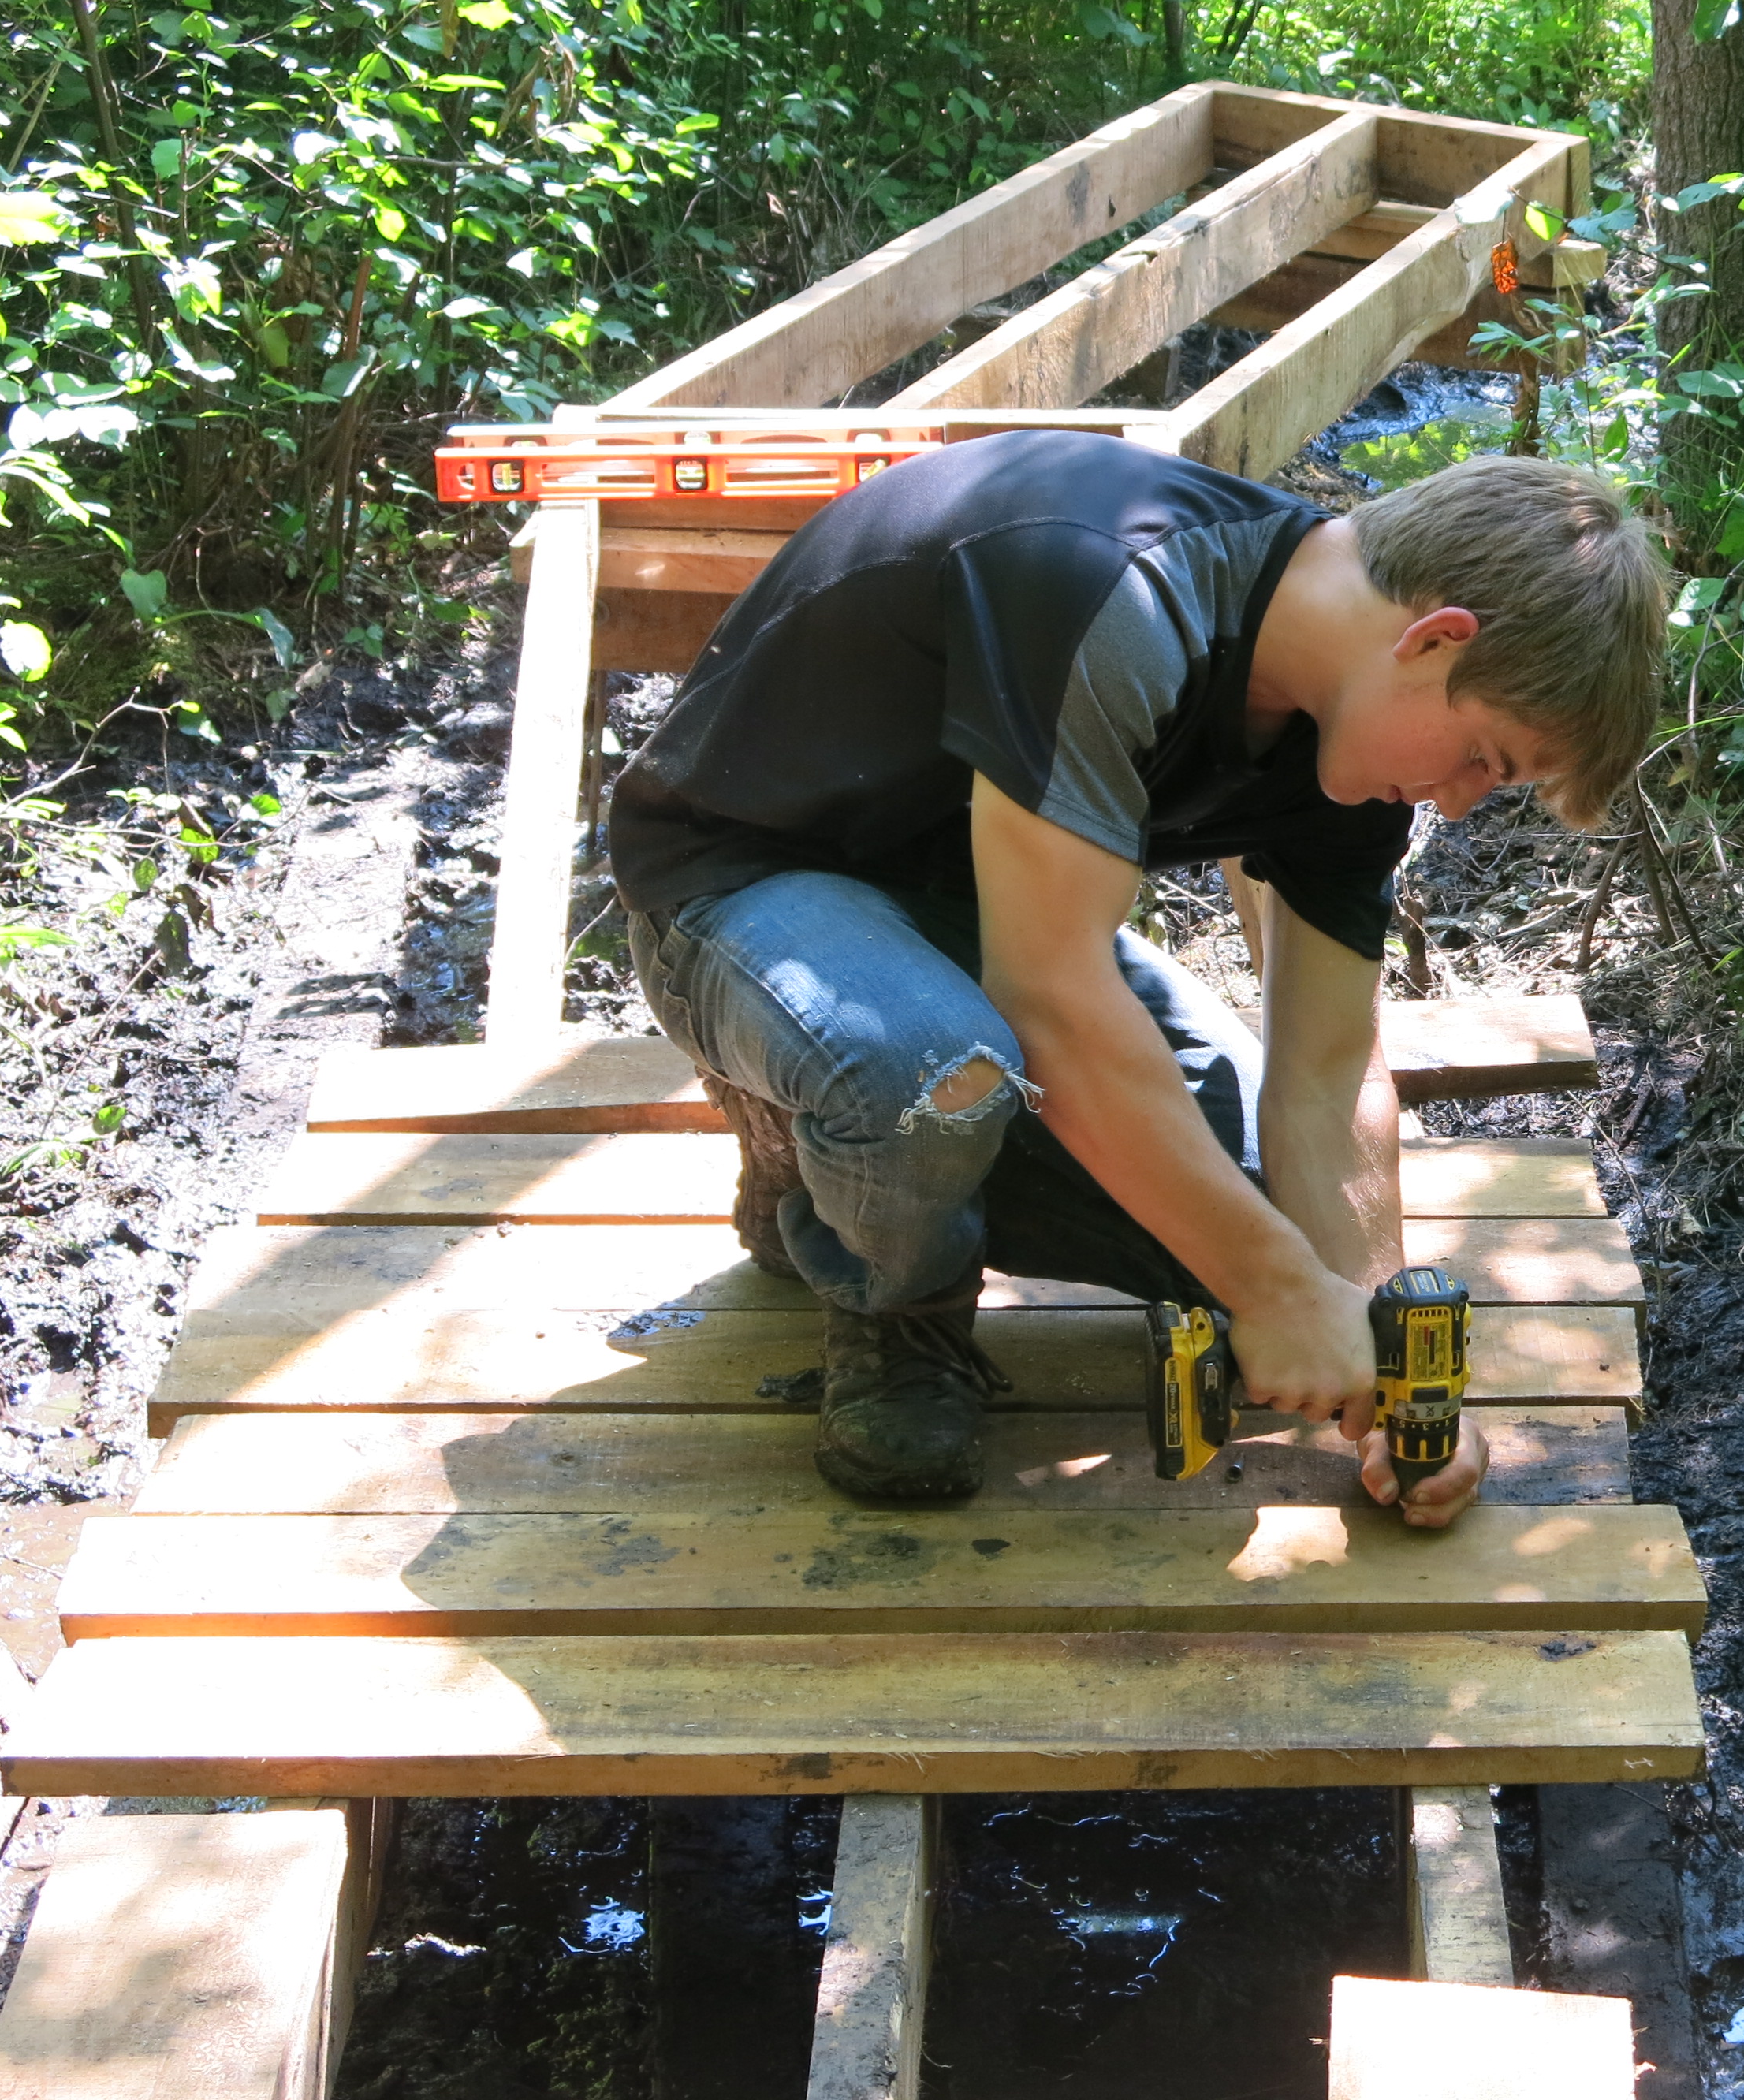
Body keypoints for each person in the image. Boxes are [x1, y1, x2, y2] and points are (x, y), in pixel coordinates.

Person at [608, 429, 1666, 1525]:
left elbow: (1328, 1071)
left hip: (979, 911)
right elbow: (1052, 1003)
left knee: (1254, 1232)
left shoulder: (1350, 761)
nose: (1456, 801)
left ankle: (850, 1170)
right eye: (1486, 759)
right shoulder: (1117, 585)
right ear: (1437, 639)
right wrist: (1279, 1289)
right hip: (740, 888)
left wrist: (1384, 1356)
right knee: (928, 1069)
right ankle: (894, 1311)